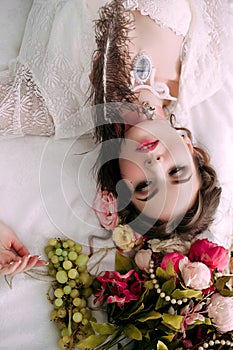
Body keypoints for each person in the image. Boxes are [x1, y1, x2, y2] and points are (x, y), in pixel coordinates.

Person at [90, 0, 233, 249]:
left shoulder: (56, 112)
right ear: (190, 148)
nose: (155, 165)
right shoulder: (204, 69)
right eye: (176, 171)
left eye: (145, 186)